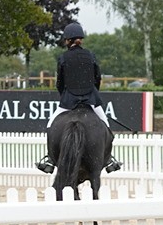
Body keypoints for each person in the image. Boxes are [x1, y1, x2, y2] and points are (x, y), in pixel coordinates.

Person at [36, 23, 121, 174]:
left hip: (69, 100)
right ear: (80, 39)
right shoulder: (90, 55)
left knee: (51, 125)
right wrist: (92, 94)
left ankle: (50, 159)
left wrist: (65, 97)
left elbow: (60, 83)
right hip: (91, 99)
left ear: (68, 40)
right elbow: (97, 78)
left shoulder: (63, 58)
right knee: (106, 126)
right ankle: (108, 159)